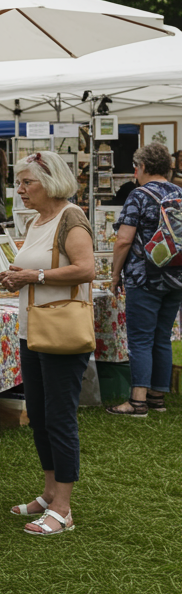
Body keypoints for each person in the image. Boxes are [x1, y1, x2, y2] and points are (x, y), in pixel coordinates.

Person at [0, 151, 94, 535]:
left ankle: (63, 509)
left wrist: (33, 276)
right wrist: (18, 276)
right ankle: (51, 493)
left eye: (27, 182)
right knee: (38, 414)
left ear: (50, 182)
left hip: (60, 333)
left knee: (59, 418)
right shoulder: (37, 220)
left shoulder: (71, 217)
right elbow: (41, 268)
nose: (19, 189)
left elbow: (86, 269)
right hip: (33, 330)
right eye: (18, 182)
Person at [107, 143, 182, 416]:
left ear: (142, 167)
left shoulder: (138, 195)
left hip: (144, 276)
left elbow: (124, 240)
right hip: (177, 276)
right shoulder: (180, 193)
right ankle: (157, 398)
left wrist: (115, 274)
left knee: (140, 339)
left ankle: (137, 402)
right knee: (162, 337)